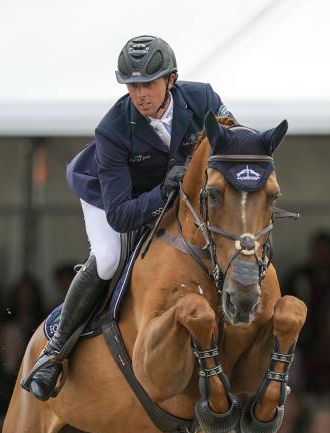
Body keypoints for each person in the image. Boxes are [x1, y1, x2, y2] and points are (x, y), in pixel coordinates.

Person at [23, 35, 233, 400]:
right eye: (132, 86)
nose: (140, 95)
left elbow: (231, 147)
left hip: (172, 193)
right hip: (109, 197)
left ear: (171, 80)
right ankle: (53, 353)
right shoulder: (113, 129)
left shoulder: (203, 99)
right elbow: (121, 215)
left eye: (148, 84)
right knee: (108, 258)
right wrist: (162, 193)